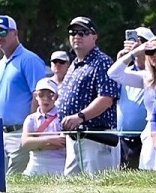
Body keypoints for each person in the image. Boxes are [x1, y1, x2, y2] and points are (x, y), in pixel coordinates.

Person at [57, 16, 121, 175]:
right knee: (71, 191)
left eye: (82, 32)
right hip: (74, 137)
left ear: (94, 36)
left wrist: (80, 116)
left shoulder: (103, 62)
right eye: (73, 32)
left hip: (96, 139)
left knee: (98, 191)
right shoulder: (74, 65)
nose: (76, 36)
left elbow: (106, 98)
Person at [0, 14, 48, 175]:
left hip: (21, 132)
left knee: (15, 184)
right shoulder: (0, 65)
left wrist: (31, 130)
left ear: (15, 33)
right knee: (3, 183)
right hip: (2, 133)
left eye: (3, 32)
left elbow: (39, 96)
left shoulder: (29, 60)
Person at [108, 37, 156, 170]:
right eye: (150, 52)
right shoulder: (147, 77)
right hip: (151, 132)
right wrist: (135, 52)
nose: (153, 56)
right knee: (148, 174)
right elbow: (113, 73)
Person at [21, 77, 65, 176]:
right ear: (35, 96)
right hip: (34, 165)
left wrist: (36, 143)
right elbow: (25, 143)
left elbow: (62, 142)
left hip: (58, 165)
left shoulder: (62, 117)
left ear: (57, 97)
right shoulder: (30, 119)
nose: (46, 99)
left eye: (51, 95)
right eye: (41, 95)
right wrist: (50, 140)